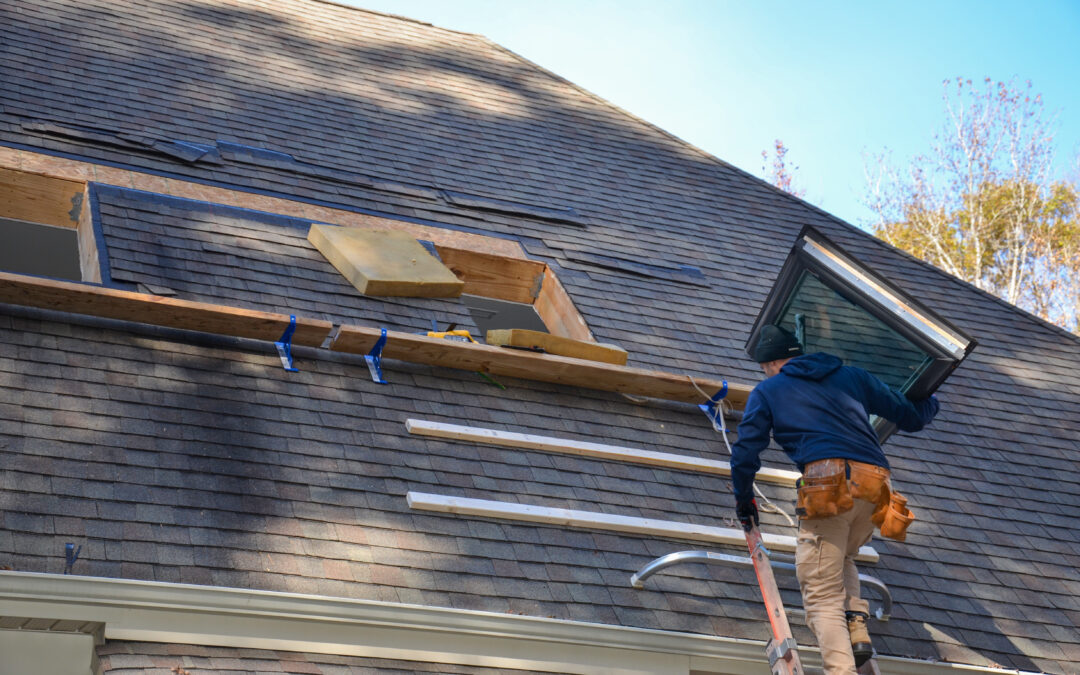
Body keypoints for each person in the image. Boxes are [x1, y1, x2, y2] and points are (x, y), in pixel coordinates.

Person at [731, 325, 939, 675]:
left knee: (821, 595)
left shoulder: (769, 389)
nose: (764, 373)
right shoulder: (852, 376)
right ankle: (856, 628)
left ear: (772, 363)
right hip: (876, 486)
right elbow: (912, 416)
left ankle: (841, 671)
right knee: (841, 556)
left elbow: (746, 452)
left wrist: (744, 499)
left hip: (829, 485)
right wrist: (932, 395)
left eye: (764, 367)